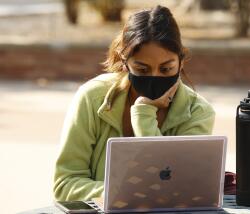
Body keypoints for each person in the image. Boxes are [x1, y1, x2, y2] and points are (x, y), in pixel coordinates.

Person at [53, 5, 215, 201]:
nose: (154, 78)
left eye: (166, 69)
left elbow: (177, 187)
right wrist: (116, 195)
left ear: (181, 62)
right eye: (142, 70)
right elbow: (65, 184)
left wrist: (144, 115)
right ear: (125, 62)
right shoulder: (92, 98)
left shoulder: (198, 112)